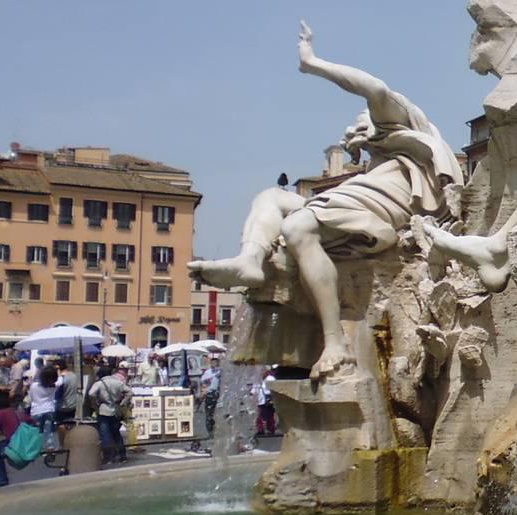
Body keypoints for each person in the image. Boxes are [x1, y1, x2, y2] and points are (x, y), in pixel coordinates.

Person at [190, 23, 463, 381]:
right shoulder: (379, 159)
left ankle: (335, 343)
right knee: (270, 196)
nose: (351, 131)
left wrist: (312, 63)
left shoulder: (400, 126)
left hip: (384, 214)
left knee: (296, 225)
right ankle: (250, 260)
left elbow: (374, 88)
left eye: (356, 125)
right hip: (359, 207)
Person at [87, 364, 134, 465]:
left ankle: (109, 457)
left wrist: (95, 403)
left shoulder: (99, 383)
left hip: (103, 409)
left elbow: (91, 394)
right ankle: (122, 456)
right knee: (116, 434)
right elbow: (130, 392)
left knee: (105, 435)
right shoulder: (117, 382)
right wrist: (123, 402)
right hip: (116, 410)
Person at [25, 365, 62, 450]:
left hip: (36, 410)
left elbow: (31, 396)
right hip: (49, 409)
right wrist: (59, 373)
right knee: (48, 431)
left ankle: (36, 448)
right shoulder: (54, 386)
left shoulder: (34, 386)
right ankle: (50, 447)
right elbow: (61, 380)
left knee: (36, 431)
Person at [199, 361, 222, 439]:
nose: (213, 365)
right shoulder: (207, 372)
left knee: (218, 414)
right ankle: (210, 432)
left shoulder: (220, 372)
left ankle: (218, 431)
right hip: (209, 395)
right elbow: (202, 382)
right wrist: (204, 388)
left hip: (218, 395)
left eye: (215, 364)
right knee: (209, 415)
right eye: (212, 364)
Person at [255, 369, 278, 437]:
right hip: (261, 401)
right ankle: (261, 429)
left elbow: (274, 388)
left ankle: (270, 429)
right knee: (260, 416)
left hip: (268, 401)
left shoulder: (270, 378)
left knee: (269, 416)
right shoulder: (259, 379)